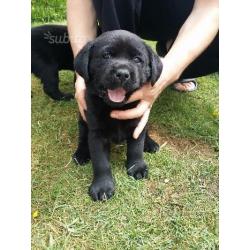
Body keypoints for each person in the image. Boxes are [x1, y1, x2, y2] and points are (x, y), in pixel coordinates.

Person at [67, 0, 219, 139]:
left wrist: (168, 72)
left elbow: (212, 8)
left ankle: (173, 49)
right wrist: (82, 73)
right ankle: (111, 73)